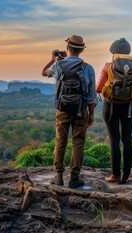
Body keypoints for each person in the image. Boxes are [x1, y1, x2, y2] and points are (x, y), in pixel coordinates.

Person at [41, 35, 97, 188]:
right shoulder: (88, 68)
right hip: (81, 109)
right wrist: (91, 114)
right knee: (78, 142)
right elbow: (91, 95)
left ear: (68, 48)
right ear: (81, 50)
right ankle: (74, 178)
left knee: (61, 141)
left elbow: (44, 72)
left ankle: (58, 176)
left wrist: (54, 58)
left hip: (63, 109)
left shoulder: (59, 65)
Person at [96, 38, 132, 184]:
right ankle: (126, 175)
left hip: (110, 106)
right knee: (127, 139)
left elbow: (98, 88)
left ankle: (115, 175)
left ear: (113, 52)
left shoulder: (108, 66)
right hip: (129, 107)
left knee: (114, 139)